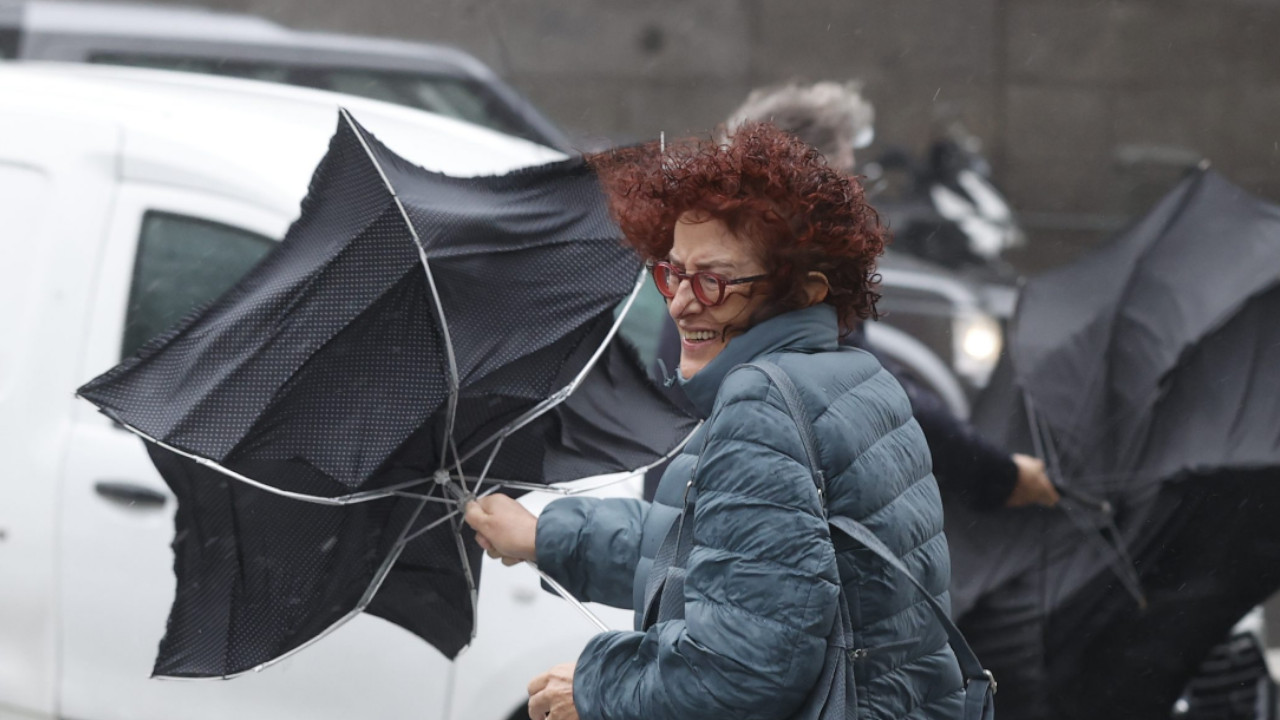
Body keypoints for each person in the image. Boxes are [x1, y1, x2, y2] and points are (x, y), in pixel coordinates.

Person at [466, 124, 966, 720]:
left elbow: (745, 667)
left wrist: (597, 687)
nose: (680, 301)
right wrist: (545, 537)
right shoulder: (856, 381)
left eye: (715, 281)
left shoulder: (764, 406)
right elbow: (733, 562)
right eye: (673, 272)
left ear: (804, 292)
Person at [724, 80, 1059, 510]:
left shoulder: (726, 254)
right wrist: (999, 475)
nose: (856, 189)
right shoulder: (794, 269)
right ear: (804, 174)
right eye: (845, 171)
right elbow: (874, 395)